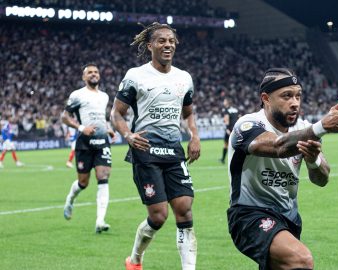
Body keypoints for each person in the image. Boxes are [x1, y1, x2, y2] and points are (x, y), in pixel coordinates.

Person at [227, 68, 338, 270]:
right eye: (286, 96)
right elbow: (279, 146)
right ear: (266, 98)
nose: (295, 103)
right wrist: (321, 127)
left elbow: (322, 179)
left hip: (289, 219)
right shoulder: (247, 125)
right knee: (301, 260)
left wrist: (313, 159)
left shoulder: (303, 127)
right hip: (249, 215)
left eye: (298, 96)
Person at [110, 22, 201, 270]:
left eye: (171, 41)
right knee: (159, 216)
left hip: (173, 151)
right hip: (145, 150)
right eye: (161, 41)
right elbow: (116, 114)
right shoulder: (135, 76)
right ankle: (135, 260)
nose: (168, 45)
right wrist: (128, 135)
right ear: (150, 45)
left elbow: (189, 112)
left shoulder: (184, 78)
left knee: (184, 210)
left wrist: (194, 135)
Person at [61, 63, 116, 233]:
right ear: (84, 77)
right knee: (83, 183)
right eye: (89, 72)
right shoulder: (77, 95)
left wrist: (107, 128)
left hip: (102, 143)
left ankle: (100, 220)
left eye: (96, 72)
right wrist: (81, 128)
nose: (93, 74)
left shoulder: (104, 96)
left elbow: (100, 116)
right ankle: (70, 199)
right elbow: (64, 117)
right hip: (84, 143)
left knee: (103, 177)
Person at [219, 97, 239, 164]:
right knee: (236, 144)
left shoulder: (226, 110)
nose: (223, 102)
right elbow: (239, 118)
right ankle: (237, 159)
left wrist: (227, 129)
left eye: (224, 101)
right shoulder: (236, 109)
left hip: (229, 129)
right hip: (236, 129)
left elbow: (226, 120)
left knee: (226, 145)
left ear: (227, 102)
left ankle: (223, 159)